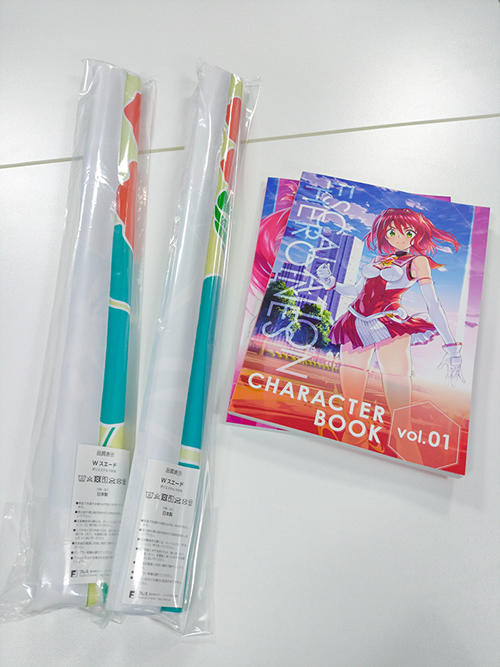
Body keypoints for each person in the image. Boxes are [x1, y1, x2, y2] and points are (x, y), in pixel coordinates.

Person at [316, 208, 462, 454]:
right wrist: (331, 283)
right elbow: (357, 291)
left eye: (407, 232)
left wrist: (451, 346)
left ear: (417, 234)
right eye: (392, 232)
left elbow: (433, 304)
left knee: (399, 406)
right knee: (352, 404)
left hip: (388, 324)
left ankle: (406, 449)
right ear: (385, 234)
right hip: (355, 322)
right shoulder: (376, 260)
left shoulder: (418, 262)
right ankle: (352, 445)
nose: (399, 237)